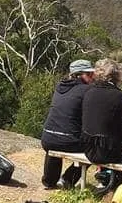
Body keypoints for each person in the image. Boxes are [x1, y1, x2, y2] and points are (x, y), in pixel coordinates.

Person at [41, 58, 95, 189]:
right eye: (90, 74)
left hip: (47, 138)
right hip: (69, 141)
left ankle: (49, 180)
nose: (92, 78)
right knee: (95, 149)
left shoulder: (60, 87)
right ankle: (68, 179)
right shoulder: (87, 90)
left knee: (55, 140)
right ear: (81, 75)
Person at [82, 58, 122, 165]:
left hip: (88, 148)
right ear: (116, 75)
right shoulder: (119, 96)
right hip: (109, 152)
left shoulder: (89, 92)